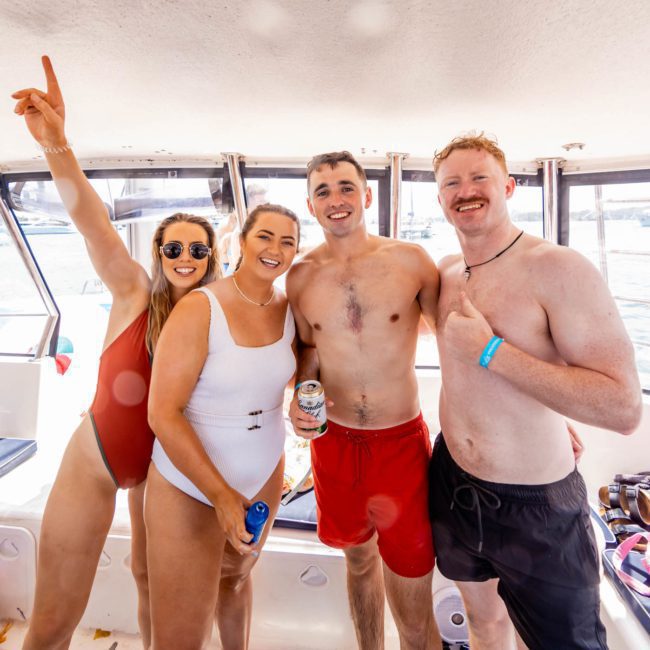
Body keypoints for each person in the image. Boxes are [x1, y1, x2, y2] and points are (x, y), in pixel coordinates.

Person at [12, 56, 219, 649]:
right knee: (53, 621)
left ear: (211, 259)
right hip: (100, 456)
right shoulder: (131, 290)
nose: (185, 257)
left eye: (198, 250)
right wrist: (57, 143)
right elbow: (89, 219)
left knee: (151, 581)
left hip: (170, 469)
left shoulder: (218, 317)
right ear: (158, 252)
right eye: (173, 246)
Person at [429, 133, 643, 650]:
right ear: (439, 199)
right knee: (484, 625)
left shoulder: (557, 268)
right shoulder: (446, 272)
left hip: (538, 509)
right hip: (454, 486)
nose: (466, 190)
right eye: (451, 183)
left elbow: (623, 407)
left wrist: (491, 351)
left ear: (509, 185)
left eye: (480, 177)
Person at [287, 152, 443, 650]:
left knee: (412, 582)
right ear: (310, 205)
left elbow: (458, 346)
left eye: (346, 187)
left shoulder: (410, 262)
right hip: (334, 446)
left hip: (400, 443)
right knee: (357, 560)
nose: (336, 200)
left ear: (367, 195)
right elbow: (308, 350)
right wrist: (300, 396)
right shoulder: (299, 277)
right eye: (324, 191)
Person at [146, 204, 300, 648]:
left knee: (234, 582)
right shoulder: (200, 307)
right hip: (187, 485)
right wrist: (220, 496)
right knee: (181, 637)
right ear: (241, 243)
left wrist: (305, 403)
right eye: (264, 237)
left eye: (287, 241)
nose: (275, 249)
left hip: (263, 472)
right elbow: (162, 413)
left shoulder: (290, 309)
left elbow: (291, 372)